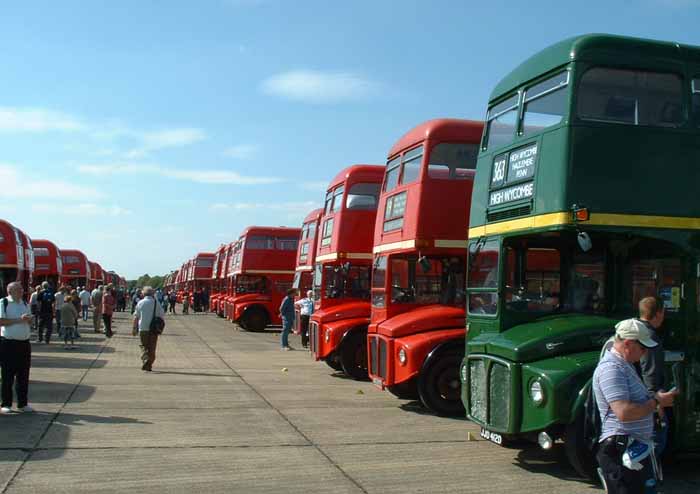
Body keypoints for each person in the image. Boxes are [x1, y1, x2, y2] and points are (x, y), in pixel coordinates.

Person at [593, 318, 678, 492]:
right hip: (621, 451)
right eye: (642, 348)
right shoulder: (611, 369)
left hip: (634, 450)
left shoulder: (625, 365)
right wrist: (656, 402)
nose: (645, 352)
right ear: (628, 344)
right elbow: (624, 412)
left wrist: (655, 405)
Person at [637, 296, 669, 457]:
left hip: (637, 396)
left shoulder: (634, 331)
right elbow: (650, 372)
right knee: (656, 441)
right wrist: (657, 403)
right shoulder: (650, 337)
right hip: (649, 399)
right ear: (658, 314)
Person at [0, 281, 35, 413]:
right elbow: (1, 321)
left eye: (21, 289)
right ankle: (6, 404)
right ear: (10, 291)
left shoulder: (25, 303)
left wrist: (30, 320)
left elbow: (29, 321)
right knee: (7, 375)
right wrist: (20, 319)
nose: (22, 291)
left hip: (24, 343)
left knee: (23, 375)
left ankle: (22, 404)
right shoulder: (4, 303)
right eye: (18, 289)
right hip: (8, 344)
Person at [133, 286, 165, 371]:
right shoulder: (156, 303)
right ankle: (149, 364)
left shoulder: (140, 303)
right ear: (152, 294)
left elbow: (136, 317)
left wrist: (134, 328)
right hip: (153, 329)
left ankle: (145, 359)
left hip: (143, 328)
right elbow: (161, 315)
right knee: (152, 347)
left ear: (143, 293)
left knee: (144, 346)